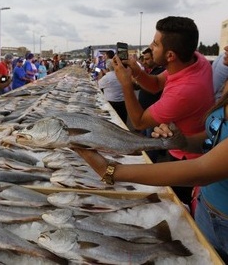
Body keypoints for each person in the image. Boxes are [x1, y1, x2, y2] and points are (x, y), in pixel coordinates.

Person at [73, 85, 228, 263]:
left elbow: (202, 171)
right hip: (205, 208)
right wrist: (181, 142)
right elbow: (215, 139)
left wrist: (112, 171)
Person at [112, 16, 214, 207]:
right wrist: (136, 72)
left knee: (178, 206)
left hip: (189, 158)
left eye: (156, 44)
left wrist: (125, 84)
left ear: (170, 56)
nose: (150, 46)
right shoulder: (194, 60)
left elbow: (140, 122)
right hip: (187, 146)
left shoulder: (184, 91)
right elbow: (156, 84)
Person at [137, 48, 165, 162]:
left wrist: (127, 84)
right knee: (143, 139)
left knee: (151, 143)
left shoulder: (161, 72)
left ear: (155, 58)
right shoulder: (151, 71)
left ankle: (150, 164)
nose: (144, 62)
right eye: (144, 59)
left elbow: (152, 88)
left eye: (147, 59)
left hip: (153, 115)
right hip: (146, 112)